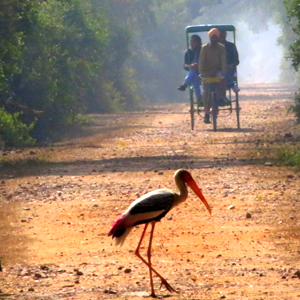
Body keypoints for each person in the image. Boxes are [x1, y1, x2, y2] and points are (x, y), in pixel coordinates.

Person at [198, 28, 227, 124]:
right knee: (206, 93)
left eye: (216, 38)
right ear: (210, 38)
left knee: (222, 81)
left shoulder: (221, 48)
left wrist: (224, 73)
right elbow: (201, 62)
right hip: (206, 72)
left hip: (217, 71)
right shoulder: (204, 48)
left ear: (218, 38)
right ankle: (206, 114)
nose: (214, 40)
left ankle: (221, 98)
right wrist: (201, 73)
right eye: (212, 38)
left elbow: (223, 61)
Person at [177, 34, 202, 103]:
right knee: (193, 76)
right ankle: (199, 98)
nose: (192, 43)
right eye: (191, 41)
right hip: (193, 73)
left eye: (194, 42)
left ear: (199, 43)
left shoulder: (202, 51)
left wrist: (199, 66)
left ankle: (184, 85)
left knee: (192, 75)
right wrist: (189, 66)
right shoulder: (188, 52)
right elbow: (185, 65)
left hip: (203, 72)